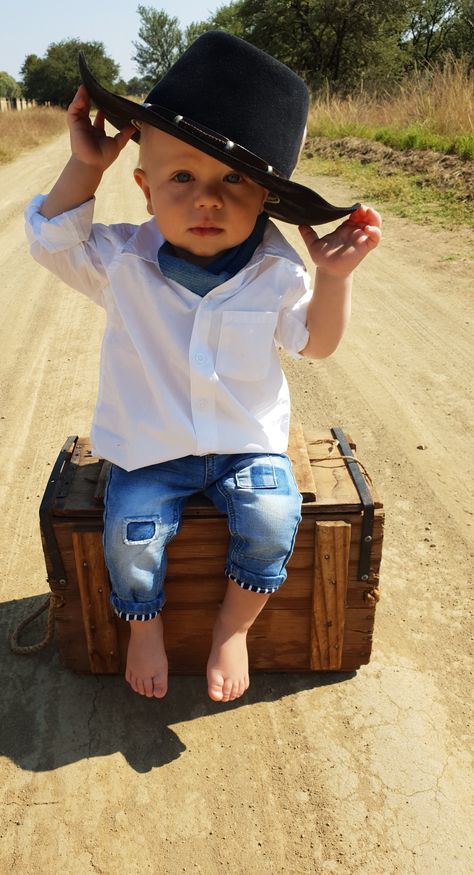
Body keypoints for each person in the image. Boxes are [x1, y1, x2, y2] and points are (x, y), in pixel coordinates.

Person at [25, 32, 381, 704]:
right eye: (181, 177)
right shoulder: (122, 262)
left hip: (243, 447)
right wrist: (85, 167)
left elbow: (315, 344)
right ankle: (144, 625)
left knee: (276, 516)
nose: (207, 199)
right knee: (129, 537)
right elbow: (51, 239)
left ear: (267, 199)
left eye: (234, 180)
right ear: (145, 185)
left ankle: (233, 626)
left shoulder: (275, 269)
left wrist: (332, 277)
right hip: (148, 450)